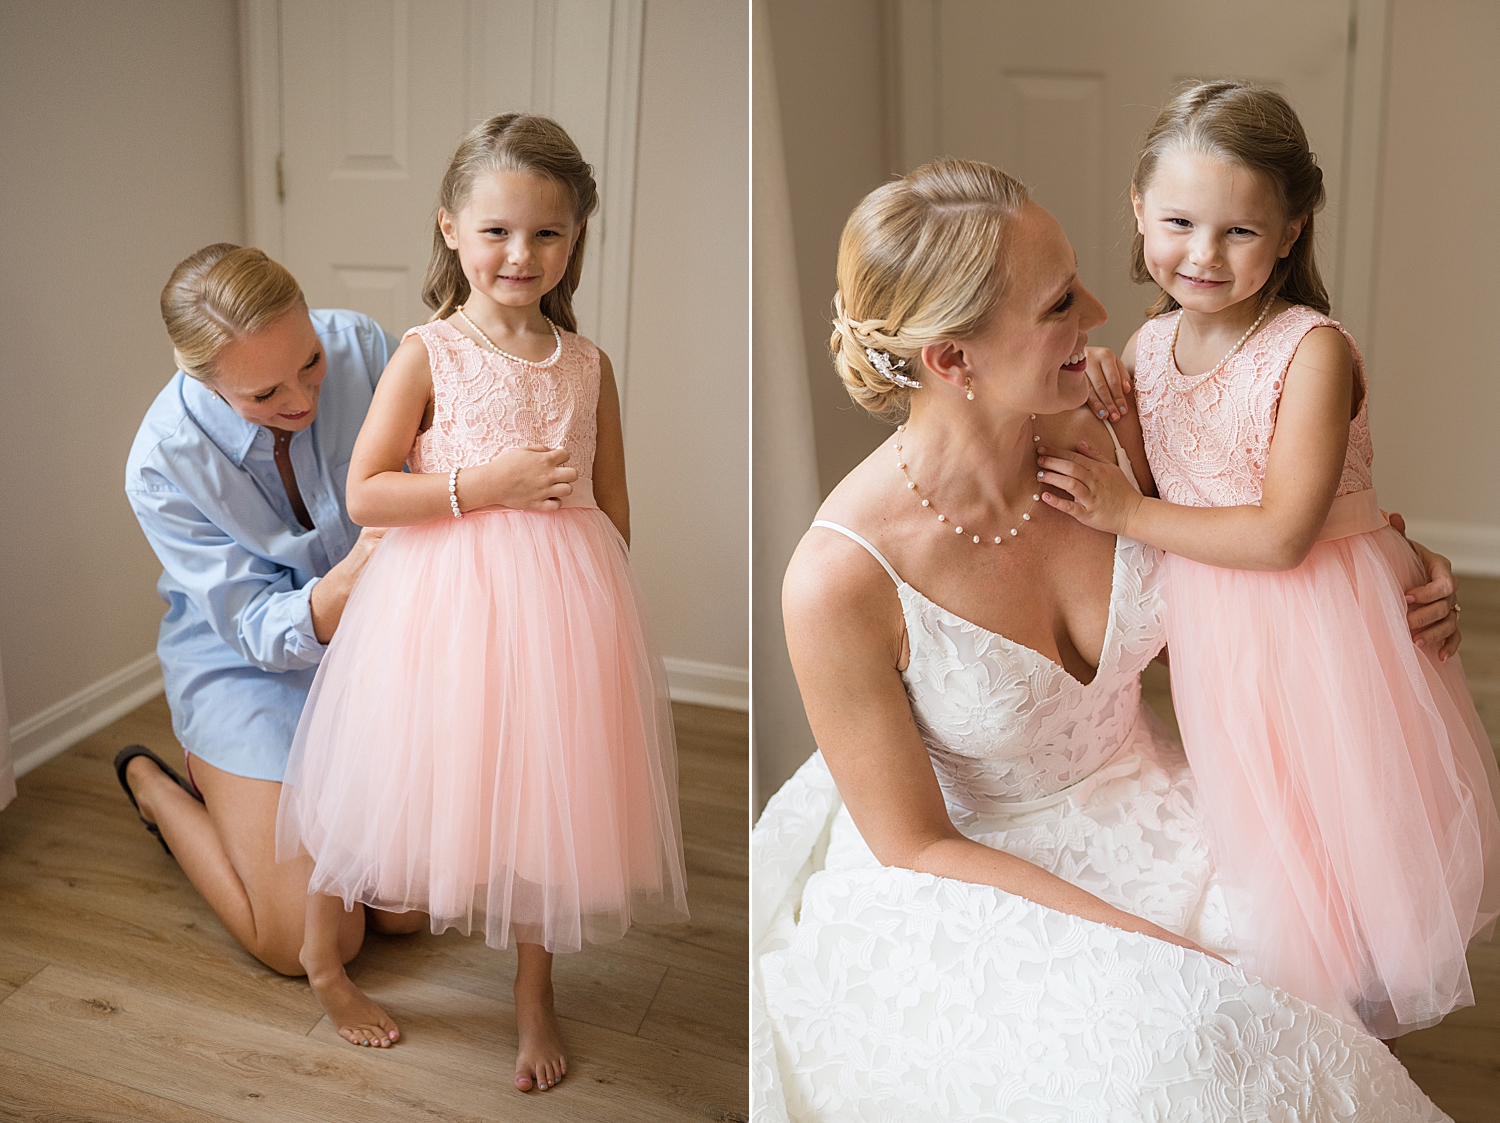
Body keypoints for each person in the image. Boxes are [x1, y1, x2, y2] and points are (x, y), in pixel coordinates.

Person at [753, 158, 1462, 1121]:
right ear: (952, 361)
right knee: (1179, 1049)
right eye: (1057, 304)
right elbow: (914, 842)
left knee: (1313, 958)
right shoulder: (839, 577)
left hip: (1159, 797)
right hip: (977, 875)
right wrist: (1141, 942)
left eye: (1078, 275)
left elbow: (1265, 546)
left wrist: (1399, 574)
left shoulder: (1113, 423)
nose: (1098, 307)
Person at [1038, 82, 1500, 1041]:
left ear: (1291, 231)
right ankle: (1307, 1015)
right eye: (1178, 222)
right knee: (1267, 815)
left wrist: (1125, 507)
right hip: (1223, 629)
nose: (1203, 255)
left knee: (1344, 814)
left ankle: (1349, 1037)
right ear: (1137, 209)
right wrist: (1127, 442)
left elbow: (1285, 531)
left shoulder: (1310, 349)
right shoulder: (1150, 345)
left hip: (1323, 617)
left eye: (1240, 232)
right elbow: (1179, 500)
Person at [275, 114, 689, 1092]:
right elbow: (368, 492)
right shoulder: (430, 352)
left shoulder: (588, 364)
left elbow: (611, 499)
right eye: (497, 230)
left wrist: (593, 602)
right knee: (386, 781)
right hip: (439, 613)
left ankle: (533, 991)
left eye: (547, 232)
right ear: (451, 229)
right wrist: (482, 488)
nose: (521, 253)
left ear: (574, 240)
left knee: (547, 801)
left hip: (559, 615)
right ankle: (324, 961)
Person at [121, 244, 426, 976]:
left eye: (309, 362)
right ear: (200, 376)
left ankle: (272, 808)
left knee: (408, 910)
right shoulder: (161, 464)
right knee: (306, 944)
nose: (302, 399)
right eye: (265, 394)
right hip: (242, 663)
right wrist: (350, 578)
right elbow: (254, 625)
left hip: (366, 649)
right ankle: (159, 788)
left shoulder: (363, 345)